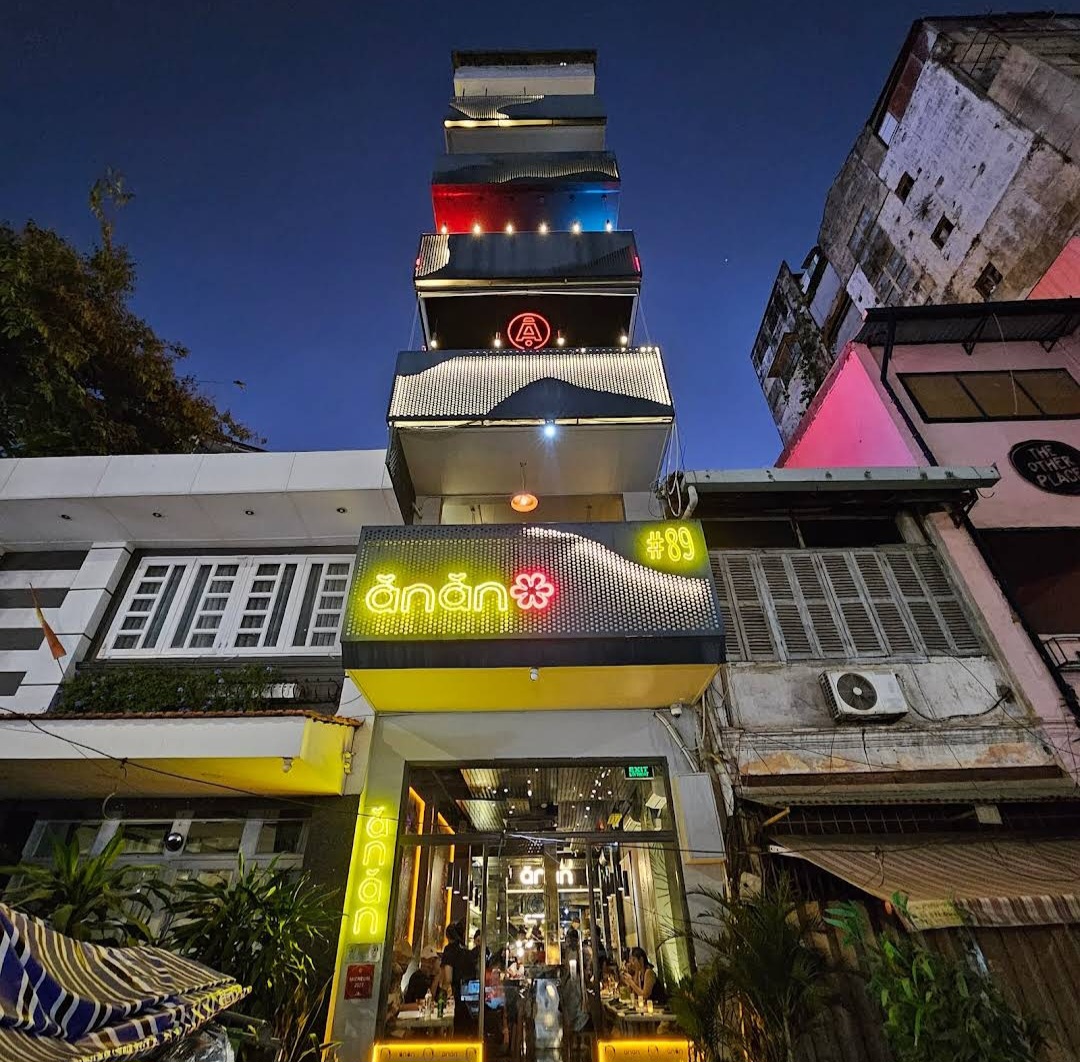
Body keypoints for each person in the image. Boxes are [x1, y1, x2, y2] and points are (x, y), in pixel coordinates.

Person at [440, 921, 478, 1034]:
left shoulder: (449, 950)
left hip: (459, 998)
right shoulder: (466, 952)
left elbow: (448, 978)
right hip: (473, 998)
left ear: (448, 936)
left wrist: (443, 990)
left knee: (459, 1033)